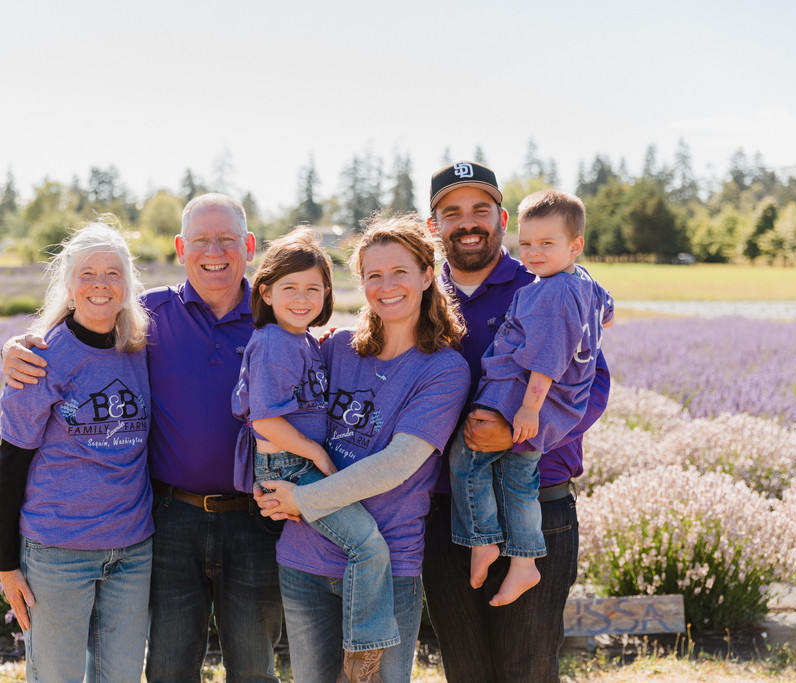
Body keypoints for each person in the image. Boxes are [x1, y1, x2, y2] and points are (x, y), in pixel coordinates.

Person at [3, 194, 283, 682]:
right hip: (171, 521)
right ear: (180, 248)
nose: (212, 250)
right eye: (200, 240)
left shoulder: (277, 318)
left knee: (254, 669)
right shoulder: (152, 318)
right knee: (168, 669)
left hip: (251, 521)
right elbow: (76, 338)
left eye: (226, 239)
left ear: (249, 246)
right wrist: (13, 347)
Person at [256, 214, 471, 683]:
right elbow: (271, 407)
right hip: (305, 557)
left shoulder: (444, 370)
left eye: (400, 272)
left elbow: (397, 464)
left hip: (388, 565)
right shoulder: (335, 351)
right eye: (374, 275)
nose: (386, 285)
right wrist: (270, 483)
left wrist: (303, 499)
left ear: (427, 275)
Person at [421, 161, 611, 682]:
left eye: (480, 209)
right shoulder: (416, 294)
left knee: (525, 670)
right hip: (442, 509)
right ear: (433, 225)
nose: (468, 222)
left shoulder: (548, 283)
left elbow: (592, 385)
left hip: (537, 501)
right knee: (465, 670)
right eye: (452, 211)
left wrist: (522, 430)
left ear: (502, 217)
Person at [232, 227, 399, 681]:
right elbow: (264, 421)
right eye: (289, 289)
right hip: (292, 466)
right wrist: (320, 458)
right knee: (367, 545)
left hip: (298, 464)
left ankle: (360, 645)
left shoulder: (302, 340)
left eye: (313, 288)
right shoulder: (271, 342)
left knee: (360, 544)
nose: (302, 298)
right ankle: (363, 651)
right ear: (265, 292)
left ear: (327, 292)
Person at [0, 218, 154, 683]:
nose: (100, 285)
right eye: (87, 274)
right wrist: (7, 563)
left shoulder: (140, 347)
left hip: (132, 549)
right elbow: (12, 464)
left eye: (112, 273)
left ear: (128, 283)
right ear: (67, 284)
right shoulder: (40, 359)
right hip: (58, 552)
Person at [449, 188, 615, 608]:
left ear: (574, 245)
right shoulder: (582, 282)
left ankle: (482, 540)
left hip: (519, 394)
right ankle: (523, 562)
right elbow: (606, 310)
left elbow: (546, 357)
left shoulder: (551, 292)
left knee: (467, 459)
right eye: (526, 244)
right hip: (547, 402)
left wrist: (528, 408)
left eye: (546, 244)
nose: (533, 253)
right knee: (518, 480)